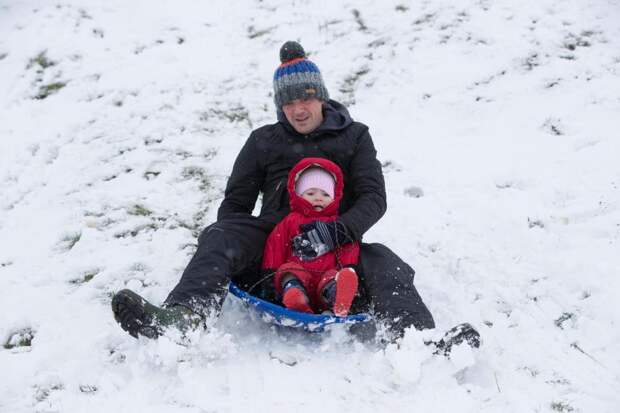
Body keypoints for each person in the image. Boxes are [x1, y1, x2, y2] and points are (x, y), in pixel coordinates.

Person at [111, 40, 436, 340]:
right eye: (289, 102)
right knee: (220, 234)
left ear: (321, 95)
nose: (298, 110)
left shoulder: (354, 137)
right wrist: (233, 244)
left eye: (306, 98)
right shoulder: (263, 141)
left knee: (384, 260)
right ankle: (186, 319)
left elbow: (373, 198)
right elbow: (237, 202)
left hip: (339, 247)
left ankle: (416, 339)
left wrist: (336, 232)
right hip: (276, 243)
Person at [262, 157, 359, 317]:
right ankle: (296, 298)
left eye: (325, 194)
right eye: (311, 193)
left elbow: (348, 246)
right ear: (298, 194)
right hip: (298, 272)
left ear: (335, 198)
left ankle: (338, 299)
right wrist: (269, 274)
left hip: (326, 276)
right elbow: (275, 247)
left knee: (333, 277)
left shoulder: (337, 225)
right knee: (288, 271)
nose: (318, 198)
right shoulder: (290, 221)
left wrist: (349, 268)